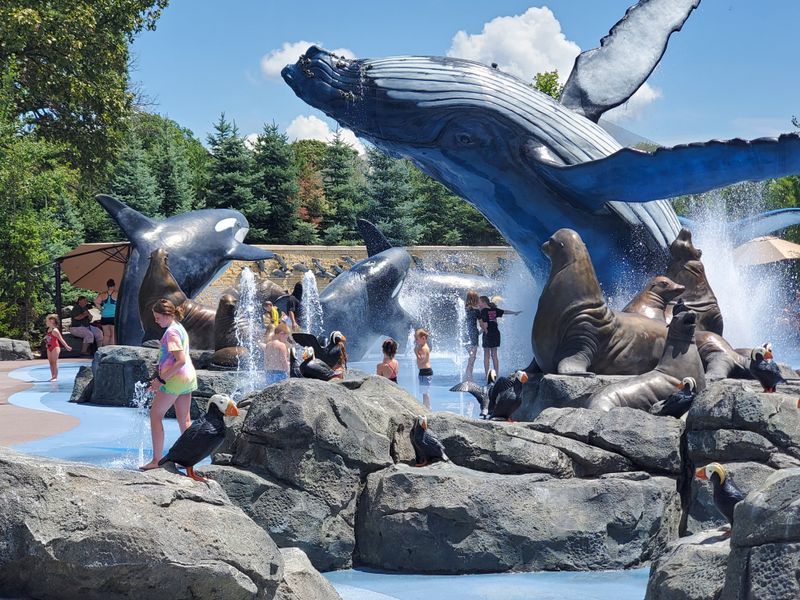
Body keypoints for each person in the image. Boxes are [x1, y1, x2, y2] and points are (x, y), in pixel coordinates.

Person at [140, 298, 198, 471]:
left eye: (158, 318)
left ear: (167, 315)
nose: (156, 321)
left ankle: (157, 459)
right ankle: (189, 459)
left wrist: (161, 380)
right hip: (188, 377)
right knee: (184, 419)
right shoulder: (179, 328)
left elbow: (179, 360)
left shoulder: (171, 333)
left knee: (155, 415)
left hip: (175, 380)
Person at [479, 295, 521, 377]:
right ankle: (496, 374)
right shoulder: (494, 310)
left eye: (479, 302)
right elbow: (505, 311)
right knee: (494, 354)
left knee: (486, 354)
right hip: (495, 333)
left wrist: (480, 333)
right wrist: (515, 313)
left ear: (484, 302)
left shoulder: (483, 311)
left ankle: (487, 374)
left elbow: (485, 325)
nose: (478, 304)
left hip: (488, 334)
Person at [44, 314, 72, 381]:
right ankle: (52, 376)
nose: (46, 323)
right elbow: (48, 337)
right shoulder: (48, 329)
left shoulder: (55, 330)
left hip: (55, 347)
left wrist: (66, 346)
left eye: (47, 321)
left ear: (52, 321)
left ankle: (55, 377)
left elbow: (61, 339)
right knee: (50, 362)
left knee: (54, 362)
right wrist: (46, 343)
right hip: (49, 347)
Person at [463, 290, 482, 382]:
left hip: (464, 335)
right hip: (473, 335)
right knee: (472, 356)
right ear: (475, 299)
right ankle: (469, 377)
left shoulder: (464, 309)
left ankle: (467, 376)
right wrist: (483, 330)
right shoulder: (476, 311)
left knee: (471, 356)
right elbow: (482, 324)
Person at [94, 278, 118, 347]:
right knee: (113, 334)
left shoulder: (103, 294)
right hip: (113, 316)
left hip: (104, 316)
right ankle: (111, 350)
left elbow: (96, 301)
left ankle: (104, 350)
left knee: (106, 335)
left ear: (107, 286)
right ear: (114, 285)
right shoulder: (116, 294)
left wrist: (101, 309)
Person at [414, 328, 432, 409]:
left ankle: (428, 407)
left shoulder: (424, 348)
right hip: (423, 372)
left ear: (423, 338)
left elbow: (422, 360)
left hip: (426, 372)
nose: (416, 341)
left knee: (425, 392)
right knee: (424, 391)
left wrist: (416, 353)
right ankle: (425, 405)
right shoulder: (422, 347)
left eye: (417, 339)